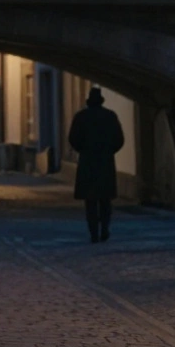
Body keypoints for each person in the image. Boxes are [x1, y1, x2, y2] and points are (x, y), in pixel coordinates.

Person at [68, 87, 125, 243]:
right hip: (105, 162)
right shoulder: (110, 116)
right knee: (105, 200)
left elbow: (73, 139)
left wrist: (83, 150)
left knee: (90, 201)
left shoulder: (80, 117)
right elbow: (119, 139)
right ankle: (105, 228)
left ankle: (94, 232)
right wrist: (109, 150)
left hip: (87, 162)